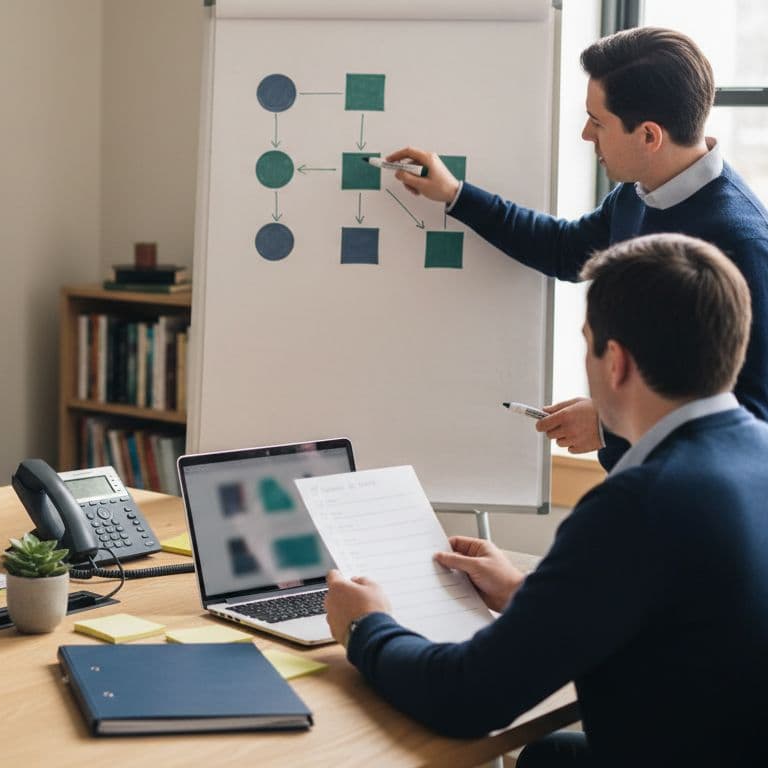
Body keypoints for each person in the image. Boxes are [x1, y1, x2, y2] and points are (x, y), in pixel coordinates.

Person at [323, 233, 768, 766]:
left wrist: (364, 626)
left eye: (587, 342)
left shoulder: (638, 504)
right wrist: (525, 593)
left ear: (616, 363)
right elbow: (678, 612)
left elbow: (466, 698)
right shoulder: (752, 454)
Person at [387, 26, 768, 470]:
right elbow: (566, 249)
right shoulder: (639, 192)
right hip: (643, 487)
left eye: (598, 121)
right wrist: (456, 194)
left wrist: (611, 422)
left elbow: (755, 416)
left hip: (694, 508)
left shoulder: (744, 243)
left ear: (649, 136)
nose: (587, 135)